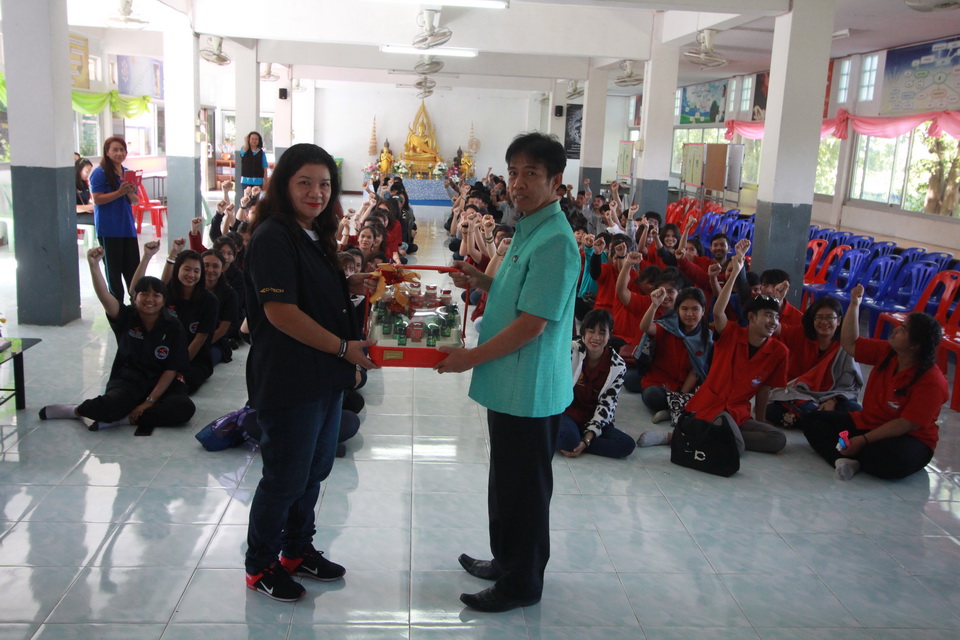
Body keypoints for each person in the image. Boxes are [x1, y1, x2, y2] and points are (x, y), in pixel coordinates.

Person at [434, 132, 580, 613]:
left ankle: (522, 583)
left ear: (556, 182)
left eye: (530, 174)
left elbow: (532, 324)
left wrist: (469, 358)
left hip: (530, 388)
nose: (517, 184)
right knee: (507, 481)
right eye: (513, 172)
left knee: (525, 491)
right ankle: (506, 560)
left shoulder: (556, 241)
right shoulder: (528, 227)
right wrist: (480, 279)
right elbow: (518, 291)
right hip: (511, 384)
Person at [243, 143, 377, 602]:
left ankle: (296, 550)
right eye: (305, 183)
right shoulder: (272, 236)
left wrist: (347, 282)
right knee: (285, 477)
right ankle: (260, 565)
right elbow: (281, 312)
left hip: (323, 375)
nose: (316, 192)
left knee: (314, 469)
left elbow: (309, 290)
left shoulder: (314, 232)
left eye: (324, 184)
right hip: (290, 378)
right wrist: (343, 348)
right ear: (283, 184)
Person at [637, 239, 788, 455]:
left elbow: (764, 389)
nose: (773, 322)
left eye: (776, 317)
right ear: (752, 317)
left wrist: (761, 421)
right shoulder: (731, 334)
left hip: (737, 412)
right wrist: (734, 274)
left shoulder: (779, 352)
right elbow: (718, 311)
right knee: (736, 447)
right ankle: (680, 436)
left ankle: (701, 432)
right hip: (712, 406)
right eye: (767, 315)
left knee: (777, 439)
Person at [39, 247, 195, 435]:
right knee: (110, 405)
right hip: (129, 380)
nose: (150, 299)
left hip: (162, 384)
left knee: (184, 409)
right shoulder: (126, 316)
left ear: (163, 301)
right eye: (144, 294)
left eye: (156, 295)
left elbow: (171, 369)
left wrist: (149, 401)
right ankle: (76, 410)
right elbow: (105, 296)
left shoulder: (173, 326)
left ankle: (125, 419)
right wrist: (94, 266)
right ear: (135, 298)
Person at [800, 284, 948, 480]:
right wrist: (854, 303)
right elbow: (850, 343)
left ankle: (849, 453)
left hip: (906, 438)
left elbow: (906, 424)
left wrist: (863, 440)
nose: (896, 329)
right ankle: (843, 459)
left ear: (915, 345)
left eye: (903, 329)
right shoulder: (888, 352)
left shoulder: (932, 381)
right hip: (867, 423)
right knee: (813, 421)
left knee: (893, 460)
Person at [766, 297, 863, 427]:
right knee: (771, 409)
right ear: (813, 320)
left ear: (839, 320)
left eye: (830, 317)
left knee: (855, 409)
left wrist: (833, 400)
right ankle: (823, 422)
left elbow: (848, 386)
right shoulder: (801, 334)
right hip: (799, 394)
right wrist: (775, 302)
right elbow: (775, 327)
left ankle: (804, 420)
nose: (824, 322)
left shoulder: (845, 345)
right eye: (819, 317)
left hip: (832, 396)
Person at [557, 310, 636, 459]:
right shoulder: (571, 350)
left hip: (593, 418)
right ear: (583, 331)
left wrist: (587, 440)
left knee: (626, 444)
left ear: (610, 334)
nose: (596, 337)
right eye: (591, 331)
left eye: (602, 332)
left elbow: (608, 405)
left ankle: (575, 442)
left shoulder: (617, 366)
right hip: (567, 414)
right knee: (568, 437)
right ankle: (570, 439)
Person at [633, 286, 713, 422]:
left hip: (686, 388)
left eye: (695, 309)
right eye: (684, 309)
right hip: (661, 383)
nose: (689, 314)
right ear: (677, 310)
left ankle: (672, 410)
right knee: (651, 394)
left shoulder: (706, 337)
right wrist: (654, 305)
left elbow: (696, 371)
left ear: (703, 310)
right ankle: (680, 409)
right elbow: (645, 327)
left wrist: (680, 396)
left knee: (710, 397)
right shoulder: (668, 326)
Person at [90, 136, 139, 301]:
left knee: (133, 270)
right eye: (115, 150)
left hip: (128, 228)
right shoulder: (99, 173)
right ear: (107, 152)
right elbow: (97, 199)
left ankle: (135, 305)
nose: (119, 153)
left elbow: (135, 200)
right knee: (114, 272)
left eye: (122, 150)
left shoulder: (128, 173)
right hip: (109, 229)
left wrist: (130, 192)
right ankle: (117, 308)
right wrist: (119, 192)